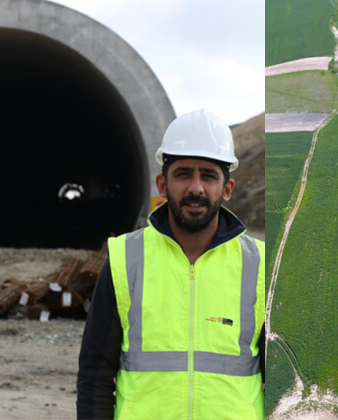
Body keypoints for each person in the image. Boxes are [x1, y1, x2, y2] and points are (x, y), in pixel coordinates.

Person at [76, 109, 265, 419]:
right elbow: (95, 375)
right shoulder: (125, 259)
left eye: (208, 175)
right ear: (162, 185)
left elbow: (283, 383)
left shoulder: (260, 265)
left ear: (227, 189)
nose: (195, 188)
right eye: (183, 174)